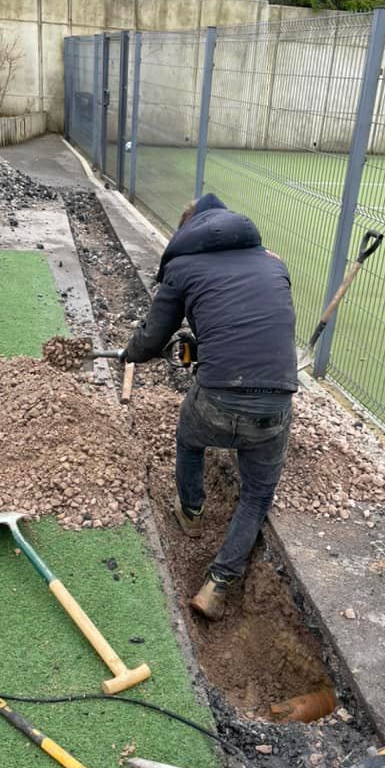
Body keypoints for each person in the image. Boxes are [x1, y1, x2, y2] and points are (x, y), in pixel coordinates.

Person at [123, 193, 297, 622]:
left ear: (188, 233)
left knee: (190, 439)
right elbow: (250, 326)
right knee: (257, 494)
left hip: (217, 398)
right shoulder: (274, 264)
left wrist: (132, 353)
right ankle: (219, 582)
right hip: (275, 402)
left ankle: (191, 511)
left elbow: (151, 337)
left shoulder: (183, 268)